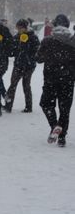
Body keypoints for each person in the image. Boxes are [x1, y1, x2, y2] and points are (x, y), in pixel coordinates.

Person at [36, 14, 75, 147]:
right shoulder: (73, 41)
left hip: (50, 79)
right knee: (65, 109)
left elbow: (38, 58)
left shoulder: (47, 41)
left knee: (46, 104)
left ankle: (54, 126)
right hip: (68, 80)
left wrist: (47, 54)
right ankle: (62, 138)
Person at [5, 19, 40, 113]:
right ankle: (8, 105)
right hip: (18, 64)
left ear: (25, 28)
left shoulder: (33, 37)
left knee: (26, 85)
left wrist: (25, 45)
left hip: (29, 66)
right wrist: (13, 49)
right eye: (17, 28)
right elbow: (12, 51)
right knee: (12, 85)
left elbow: (36, 51)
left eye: (20, 28)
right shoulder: (17, 37)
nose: (18, 30)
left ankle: (29, 107)